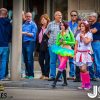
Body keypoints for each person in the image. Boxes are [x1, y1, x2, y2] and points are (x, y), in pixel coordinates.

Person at [51, 22, 75, 88]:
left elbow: (73, 42)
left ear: (66, 26)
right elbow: (57, 43)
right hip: (60, 50)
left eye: (63, 25)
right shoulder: (59, 33)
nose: (62, 26)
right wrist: (60, 42)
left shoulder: (69, 32)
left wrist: (66, 42)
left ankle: (54, 82)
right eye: (61, 25)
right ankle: (65, 82)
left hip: (67, 50)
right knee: (63, 66)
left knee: (61, 65)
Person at [45, 11, 62, 81]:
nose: (60, 16)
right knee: (52, 61)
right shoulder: (50, 24)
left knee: (60, 62)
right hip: (52, 45)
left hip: (60, 46)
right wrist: (51, 38)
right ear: (55, 16)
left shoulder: (63, 24)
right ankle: (52, 76)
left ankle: (59, 77)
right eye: (58, 15)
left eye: (61, 15)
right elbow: (46, 33)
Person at [75, 22, 92, 90]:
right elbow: (76, 44)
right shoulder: (78, 34)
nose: (81, 27)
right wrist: (75, 53)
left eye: (83, 26)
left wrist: (83, 37)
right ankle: (83, 84)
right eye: (81, 26)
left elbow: (86, 42)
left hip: (86, 53)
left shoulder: (89, 34)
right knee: (81, 70)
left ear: (86, 27)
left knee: (84, 69)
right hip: (79, 53)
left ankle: (87, 85)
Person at [22, 12, 37, 79]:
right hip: (24, 43)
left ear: (31, 17)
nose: (28, 17)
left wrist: (25, 33)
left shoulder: (33, 25)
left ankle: (31, 75)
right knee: (25, 59)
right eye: (27, 16)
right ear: (25, 17)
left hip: (30, 42)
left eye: (29, 16)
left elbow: (33, 34)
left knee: (29, 59)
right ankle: (27, 74)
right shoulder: (23, 25)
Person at [0, 8, 12, 80]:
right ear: (6, 14)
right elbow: (10, 34)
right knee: (4, 61)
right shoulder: (9, 23)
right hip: (5, 44)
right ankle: (1, 77)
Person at [37, 14, 50, 80]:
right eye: (41, 19)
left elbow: (51, 37)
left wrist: (47, 34)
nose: (42, 21)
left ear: (47, 20)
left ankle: (46, 75)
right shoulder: (39, 28)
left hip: (47, 46)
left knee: (47, 61)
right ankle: (43, 73)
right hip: (41, 45)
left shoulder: (49, 27)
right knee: (40, 60)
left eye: (43, 19)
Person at [68, 10, 79, 81]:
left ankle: (77, 75)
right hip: (69, 44)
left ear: (77, 16)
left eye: (75, 15)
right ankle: (72, 74)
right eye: (72, 15)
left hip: (77, 44)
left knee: (77, 60)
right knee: (71, 60)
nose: (73, 16)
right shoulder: (68, 24)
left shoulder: (79, 24)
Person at [89, 12, 100, 79]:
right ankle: (92, 76)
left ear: (95, 18)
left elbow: (93, 31)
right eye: (89, 16)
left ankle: (98, 75)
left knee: (97, 60)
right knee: (90, 60)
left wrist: (87, 29)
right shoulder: (90, 25)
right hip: (89, 44)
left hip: (96, 43)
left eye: (91, 16)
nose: (89, 17)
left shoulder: (98, 24)